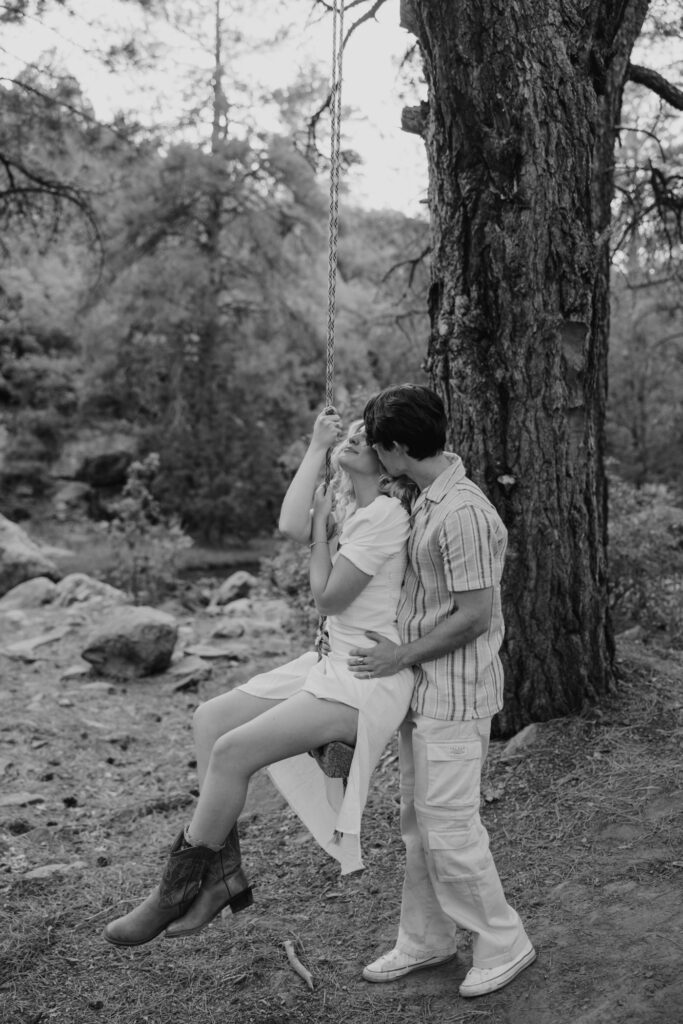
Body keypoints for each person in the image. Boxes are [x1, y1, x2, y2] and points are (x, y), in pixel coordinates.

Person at [103, 408, 417, 947]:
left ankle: (174, 891)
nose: (355, 435)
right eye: (354, 430)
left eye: (366, 437)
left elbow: (328, 596)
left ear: (388, 463)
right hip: (329, 662)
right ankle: (223, 876)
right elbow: (290, 526)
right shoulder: (354, 503)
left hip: (366, 676)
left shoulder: (386, 513)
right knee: (211, 719)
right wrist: (318, 448)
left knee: (231, 752)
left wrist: (322, 533)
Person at [348, 384, 536, 999]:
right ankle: (427, 938)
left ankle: (504, 940)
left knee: (451, 826)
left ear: (400, 448)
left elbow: (475, 615)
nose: (377, 456)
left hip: (455, 697)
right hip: (422, 692)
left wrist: (398, 655)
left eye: (381, 447)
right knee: (417, 825)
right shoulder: (425, 496)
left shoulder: (464, 513)